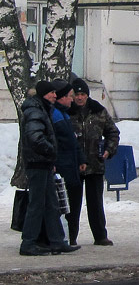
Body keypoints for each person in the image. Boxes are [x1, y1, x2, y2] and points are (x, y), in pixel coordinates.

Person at [18, 80, 76, 256]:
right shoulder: (35, 110)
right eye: (51, 93)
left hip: (44, 163)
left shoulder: (42, 108)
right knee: (37, 203)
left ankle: (57, 241)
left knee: (51, 203)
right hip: (38, 164)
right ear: (44, 94)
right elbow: (35, 137)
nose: (54, 95)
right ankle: (28, 243)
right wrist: (50, 152)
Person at [69, 78, 118, 246]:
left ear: (87, 96)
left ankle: (100, 235)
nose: (80, 98)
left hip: (95, 164)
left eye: (83, 94)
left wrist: (108, 150)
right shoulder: (67, 111)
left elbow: (113, 132)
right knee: (72, 204)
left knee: (95, 203)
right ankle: (70, 236)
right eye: (77, 94)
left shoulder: (98, 111)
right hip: (73, 166)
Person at [49, 80, 85, 246]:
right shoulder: (56, 115)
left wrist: (81, 159)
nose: (72, 99)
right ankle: (65, 238)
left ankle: (70, 237)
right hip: (63, 167)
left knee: (72, 204)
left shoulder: (63, 114)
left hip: (71, 166)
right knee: (65, 205)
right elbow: (62, 142)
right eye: (70, 96)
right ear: (61, 97)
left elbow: (72, 141)